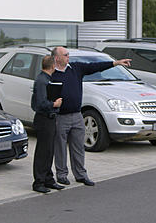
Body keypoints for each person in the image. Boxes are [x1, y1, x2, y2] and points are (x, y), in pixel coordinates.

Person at [51, 46, 131, 186]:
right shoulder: (52, 74)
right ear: (57, 58)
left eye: (68, 54)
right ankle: (61, 174)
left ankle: (81, 174)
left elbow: (96, 66)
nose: (68, 56)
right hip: (61, 117)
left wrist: (115, 63)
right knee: (60, 147)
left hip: (77, 115)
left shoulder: (75, 68)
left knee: (78, 147)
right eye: (65, 55)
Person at [31, 55, 65, 193]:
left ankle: (48, 178)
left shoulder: (48, 79)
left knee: (49, 150)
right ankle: (38, 181)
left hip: (51, 118)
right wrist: (54, 104)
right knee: (43, 151)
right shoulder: (41, 81)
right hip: (43, 118)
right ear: (53, 66)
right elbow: (40, 102)